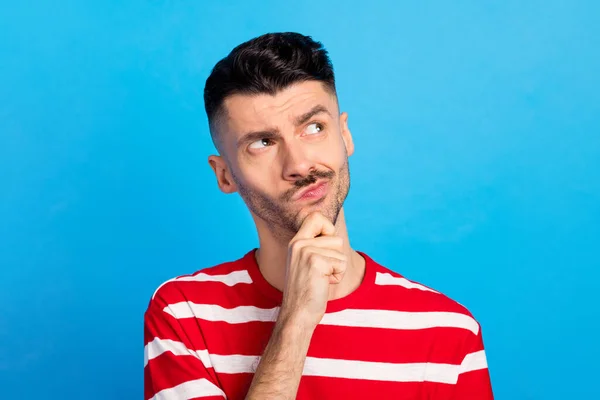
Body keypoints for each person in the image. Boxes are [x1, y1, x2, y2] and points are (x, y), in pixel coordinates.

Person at [143, 32, 494, 400]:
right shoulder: (185, 315)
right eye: (262, 143)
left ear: (345, 134)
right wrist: (295, 322)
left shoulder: (448, 332)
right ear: (225, 175)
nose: (299, 164)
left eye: (314, 128)